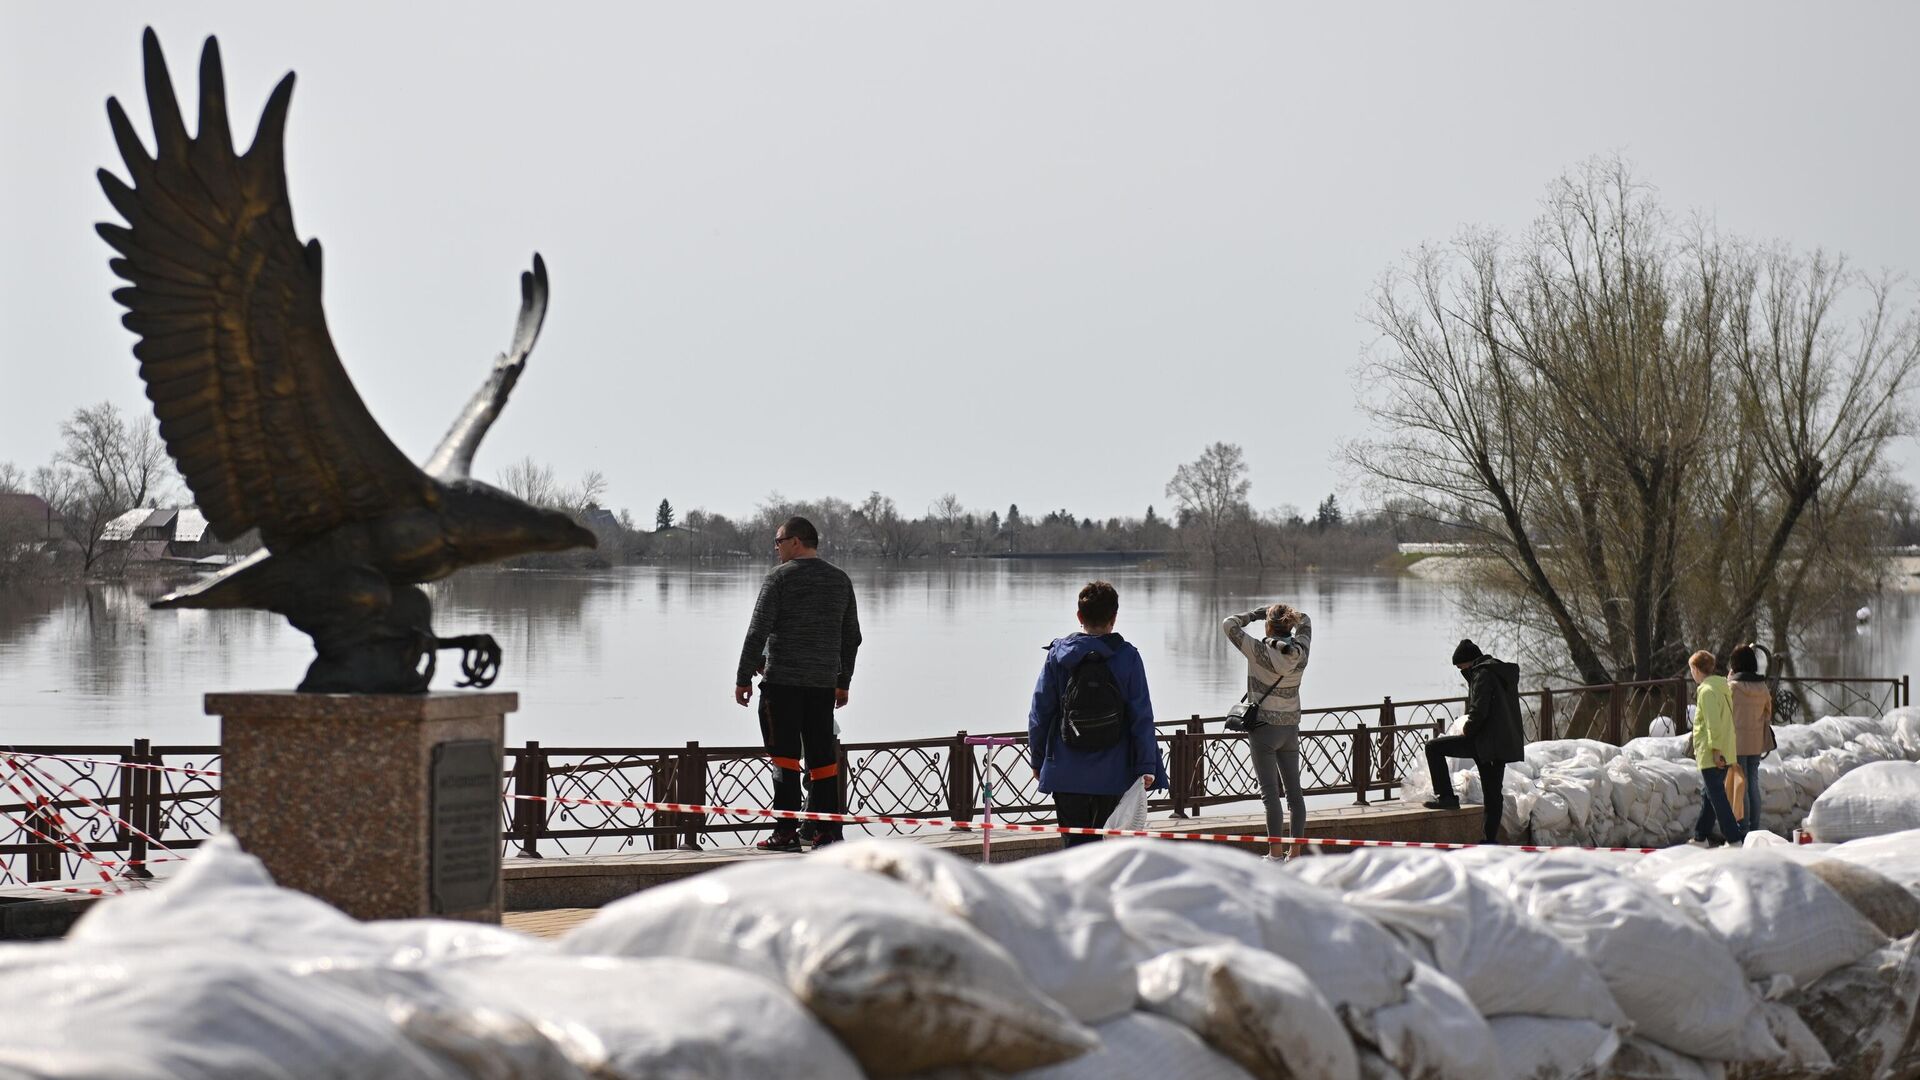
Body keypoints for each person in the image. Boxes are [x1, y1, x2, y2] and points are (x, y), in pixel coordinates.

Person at [734, 516, 862, 851]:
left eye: (778, 541)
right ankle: (827, 833)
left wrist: (742, 677)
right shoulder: (840, 580)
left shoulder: (780, 578)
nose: (776, 548)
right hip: (821, 686)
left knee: (785, 760)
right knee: (823, 761)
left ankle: (786, 833)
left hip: (782, 684)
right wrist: (843, 681)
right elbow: (852, 638)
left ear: (795, 541)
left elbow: (757, 631)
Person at [1028, 581, 1168, 848]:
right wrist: (1147, 765)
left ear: (1079, 617)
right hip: (1115, 772)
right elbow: (1142, 716)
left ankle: (1076, 889)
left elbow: (1039, 713)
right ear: (1114, 617)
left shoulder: (1059, 656)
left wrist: (1037, 759)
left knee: (1074, 849)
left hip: (1066, 772)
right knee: (1108, 849)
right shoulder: (1127, 657)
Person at [1222, 603, 1312, 860]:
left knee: (1270, 795)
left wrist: (1254, 614)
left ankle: (1274, 855)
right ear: (1290, 625)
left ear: (1268, 626)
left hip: (1263, 729)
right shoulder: (1301, 652)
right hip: (1290, 728)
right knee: (1295, 795)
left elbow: (1228, 624)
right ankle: (1294, 854)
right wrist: (1288, 613)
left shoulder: (1259, 651)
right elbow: (1306, 621)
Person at [1422, 639, 1525, 843]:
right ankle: (1489, 841)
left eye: (1460, 666)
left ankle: (1447, 798)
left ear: (1468, 661)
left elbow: (1479, 711)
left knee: (1433, 748)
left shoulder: (1482, 674)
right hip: (1498, 743)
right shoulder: (1498, 672)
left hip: (1484, 743)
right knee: (1493, 793)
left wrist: (1466, 730)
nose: (1460, 670)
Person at [1688, 649, 1745, 846]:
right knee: (1709, 793)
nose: (1691, 674)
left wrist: (1715, 750)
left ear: (1696, 669)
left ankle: (1734, 838)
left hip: (1712, 753)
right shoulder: (1721, 687)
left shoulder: (1706, 691)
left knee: (1717, 798)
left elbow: (1712, 723)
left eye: (1691, 670)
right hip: (1726, 749)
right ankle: (1700, 836)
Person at [1728, 644, 1774, 833]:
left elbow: (1724, 711)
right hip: (1755, 742)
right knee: (1753, 784)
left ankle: (1743, 828)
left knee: (1741, 786)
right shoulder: (1762, 687)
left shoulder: (1732, 687)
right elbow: (1768, 713)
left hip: (1737, 743)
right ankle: (1755, 827)